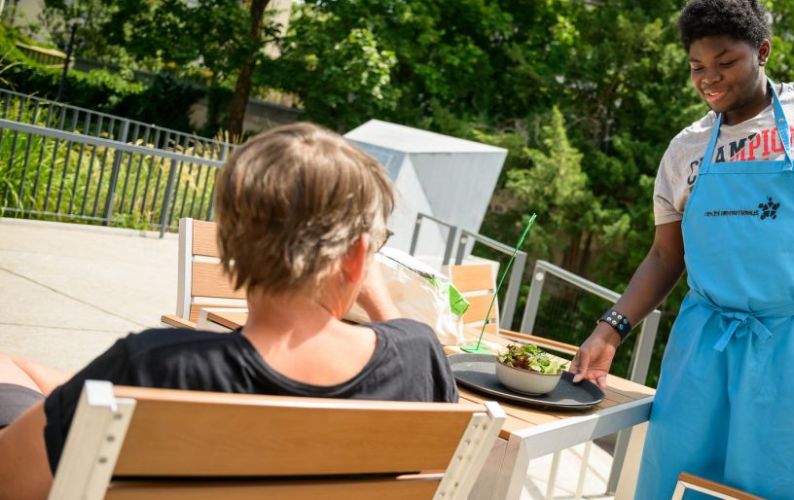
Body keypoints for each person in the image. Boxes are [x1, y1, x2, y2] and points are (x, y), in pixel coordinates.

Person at [0, 122, 459, 499]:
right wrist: (370, 288)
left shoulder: (154, 365)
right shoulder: (420, 358)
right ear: (358, 256)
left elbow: (12, 483)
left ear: (230, 244)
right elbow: (405, 341)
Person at [569, 1, 794, 498]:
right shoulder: (685, 149)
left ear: (762, 51)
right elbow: (664, 257)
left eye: (725, 62)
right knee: (671, 479)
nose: (709, 79)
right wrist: (610, 330)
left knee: (770, 487)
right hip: (702, 344)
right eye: (698, 67)